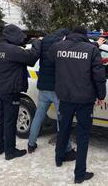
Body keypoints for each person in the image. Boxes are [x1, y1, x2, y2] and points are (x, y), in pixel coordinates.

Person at [49, 26, 106, 184]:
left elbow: (50, 54)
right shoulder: (91, 50)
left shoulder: (58, 47)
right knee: (82, 136)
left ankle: (59, 158)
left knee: (64, 129)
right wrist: (101, 95)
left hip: (65, 98)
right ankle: (79, 174)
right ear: (85, 35)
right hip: (85, 100)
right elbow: (99, 76)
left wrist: (62, 41)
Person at [0, 24, 41, 160]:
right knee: (10, 120)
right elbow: (31, 58)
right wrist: (36, 43)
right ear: (13, 36)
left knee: (2, 117)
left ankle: (0, 146)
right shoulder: (12, 50)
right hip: (10, 90)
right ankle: (10, 151)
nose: (21, 39)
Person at [27, 29, 77, 160]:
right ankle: (65, 149)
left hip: (43, 87)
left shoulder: (44, 42)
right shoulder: (62, 44)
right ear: (64, 36)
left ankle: (31, 144)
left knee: (38, 116)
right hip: (57, 89)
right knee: (62, 119)